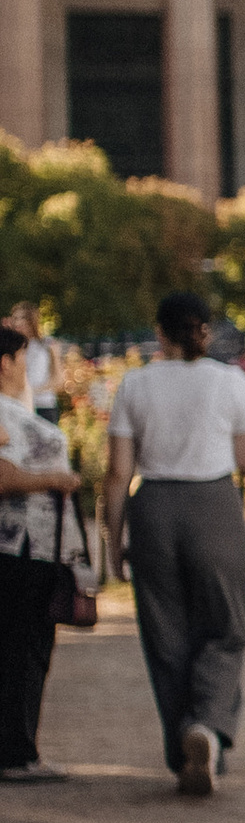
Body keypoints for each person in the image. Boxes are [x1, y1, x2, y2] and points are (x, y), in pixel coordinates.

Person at [102, 291, 245, 794]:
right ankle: (208, 727)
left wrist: (113, 541)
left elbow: (117, 473)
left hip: (153, 510)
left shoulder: (135, 384)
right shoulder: (230, 382)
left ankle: (182, 748)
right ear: (206, 331)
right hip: (212, 505)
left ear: (160, 332)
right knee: (225, 627)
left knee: (165, 636)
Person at [0, 318, 80, 778]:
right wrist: (56, 479)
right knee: (23, 647)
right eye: (22, 357)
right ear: (6, 362)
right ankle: (17, 753)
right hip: (18, 549)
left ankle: (17, 748)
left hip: (27, 547)